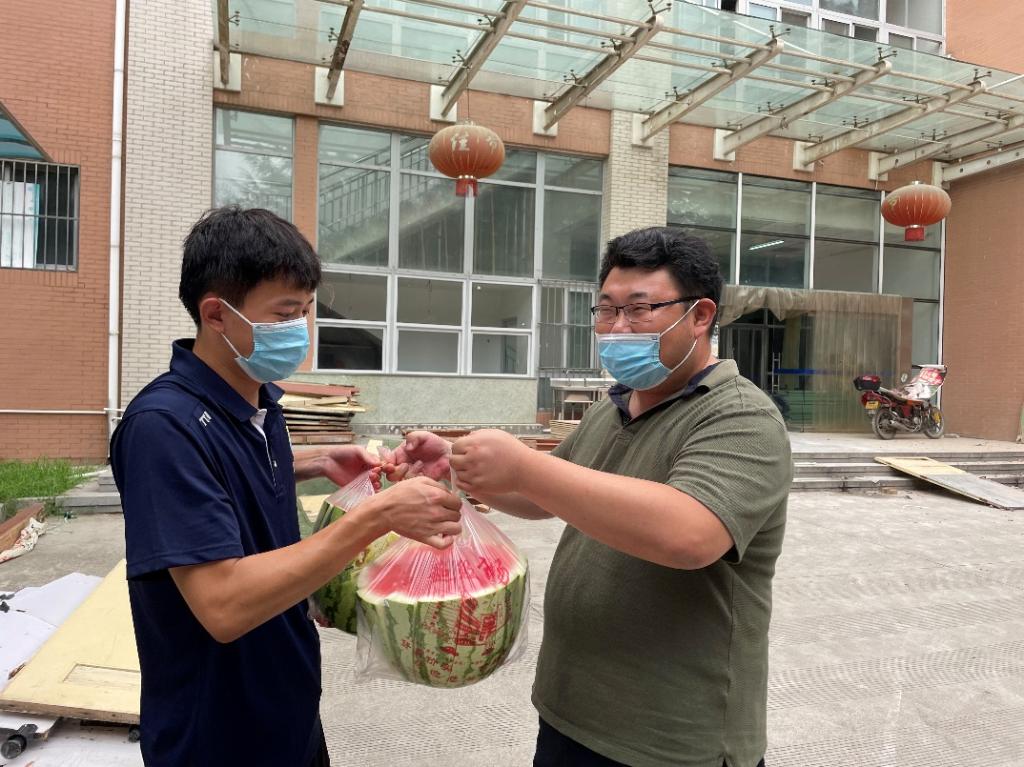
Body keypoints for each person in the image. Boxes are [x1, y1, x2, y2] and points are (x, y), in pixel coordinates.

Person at [388, 227, 791, 767]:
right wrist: (456, 465)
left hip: (671, 740)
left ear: (699, 316)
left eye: (639, 310)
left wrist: (523, 466)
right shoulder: (614, 407)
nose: (618, 329)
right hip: (571, 714)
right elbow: (548, 494)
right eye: (606, 310)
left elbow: (689, 535)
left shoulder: (740, 415)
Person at [110, 206, 463, 767]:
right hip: (219, 735)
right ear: (216, 314)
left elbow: (235, 474)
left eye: (305, 311)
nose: (301, 329)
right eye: (285, 313)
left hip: (288, 707)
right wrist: (378, 516)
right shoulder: (163, 428)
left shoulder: (259, 405)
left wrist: (321, 461)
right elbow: (223, 605)